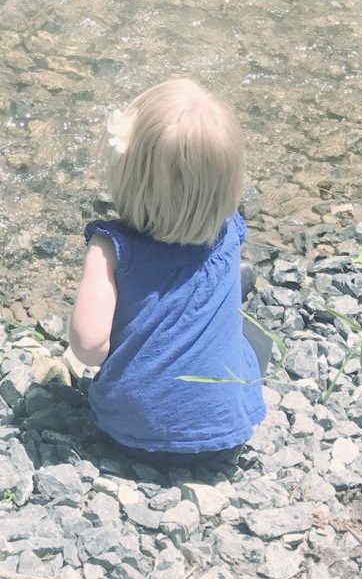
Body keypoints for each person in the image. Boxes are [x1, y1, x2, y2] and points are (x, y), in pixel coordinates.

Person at [67, 77, 269, 462]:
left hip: (128, 434)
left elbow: (90, 348)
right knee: (248, 335)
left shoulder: (110, 248)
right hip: (225, 437)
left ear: (126, 176)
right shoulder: (230, 231)